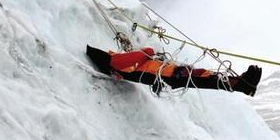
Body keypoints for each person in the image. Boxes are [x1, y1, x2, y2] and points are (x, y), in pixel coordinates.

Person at [86, 45, 262, 96]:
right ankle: (240, 85)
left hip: (164, 75)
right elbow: (146, 52)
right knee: (200, 77)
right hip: (166, 75)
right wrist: (146, 53)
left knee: (201, 76)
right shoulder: (116, 62)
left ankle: (239, 84)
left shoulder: (117, 64)